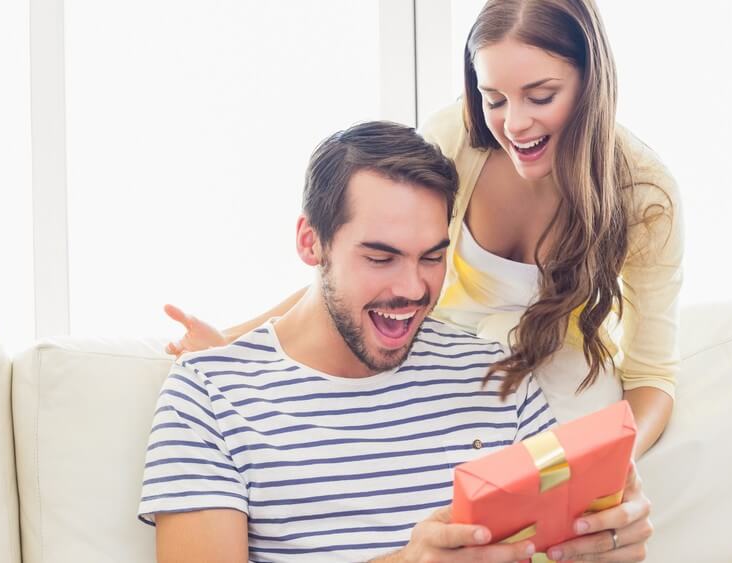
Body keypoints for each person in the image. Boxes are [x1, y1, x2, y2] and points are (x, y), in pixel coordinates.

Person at [164, 0, 683, 459]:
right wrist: (234, 340)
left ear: (591, 84)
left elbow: (652, 375)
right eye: (494, 98)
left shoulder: (644, 193)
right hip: (440, 361)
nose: (514, 124)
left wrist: (611, 462)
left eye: (540, 96)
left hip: (562, 381)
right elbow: (366, 262)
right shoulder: (456, 139)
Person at [141, 121, 652, 562]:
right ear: (310, 242)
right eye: (380, 258)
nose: (411, 289)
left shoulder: (495, 375)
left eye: (431, 257)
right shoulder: (209, 394)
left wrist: (605, 542)